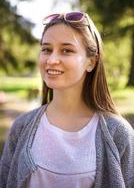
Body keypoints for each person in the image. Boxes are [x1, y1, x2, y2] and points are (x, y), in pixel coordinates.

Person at [0, 12, 134, 188]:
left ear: (91, 62)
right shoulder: (21, 127)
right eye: (46, 49)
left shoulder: (118, 133)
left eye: (66, 50)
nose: (52, 60)